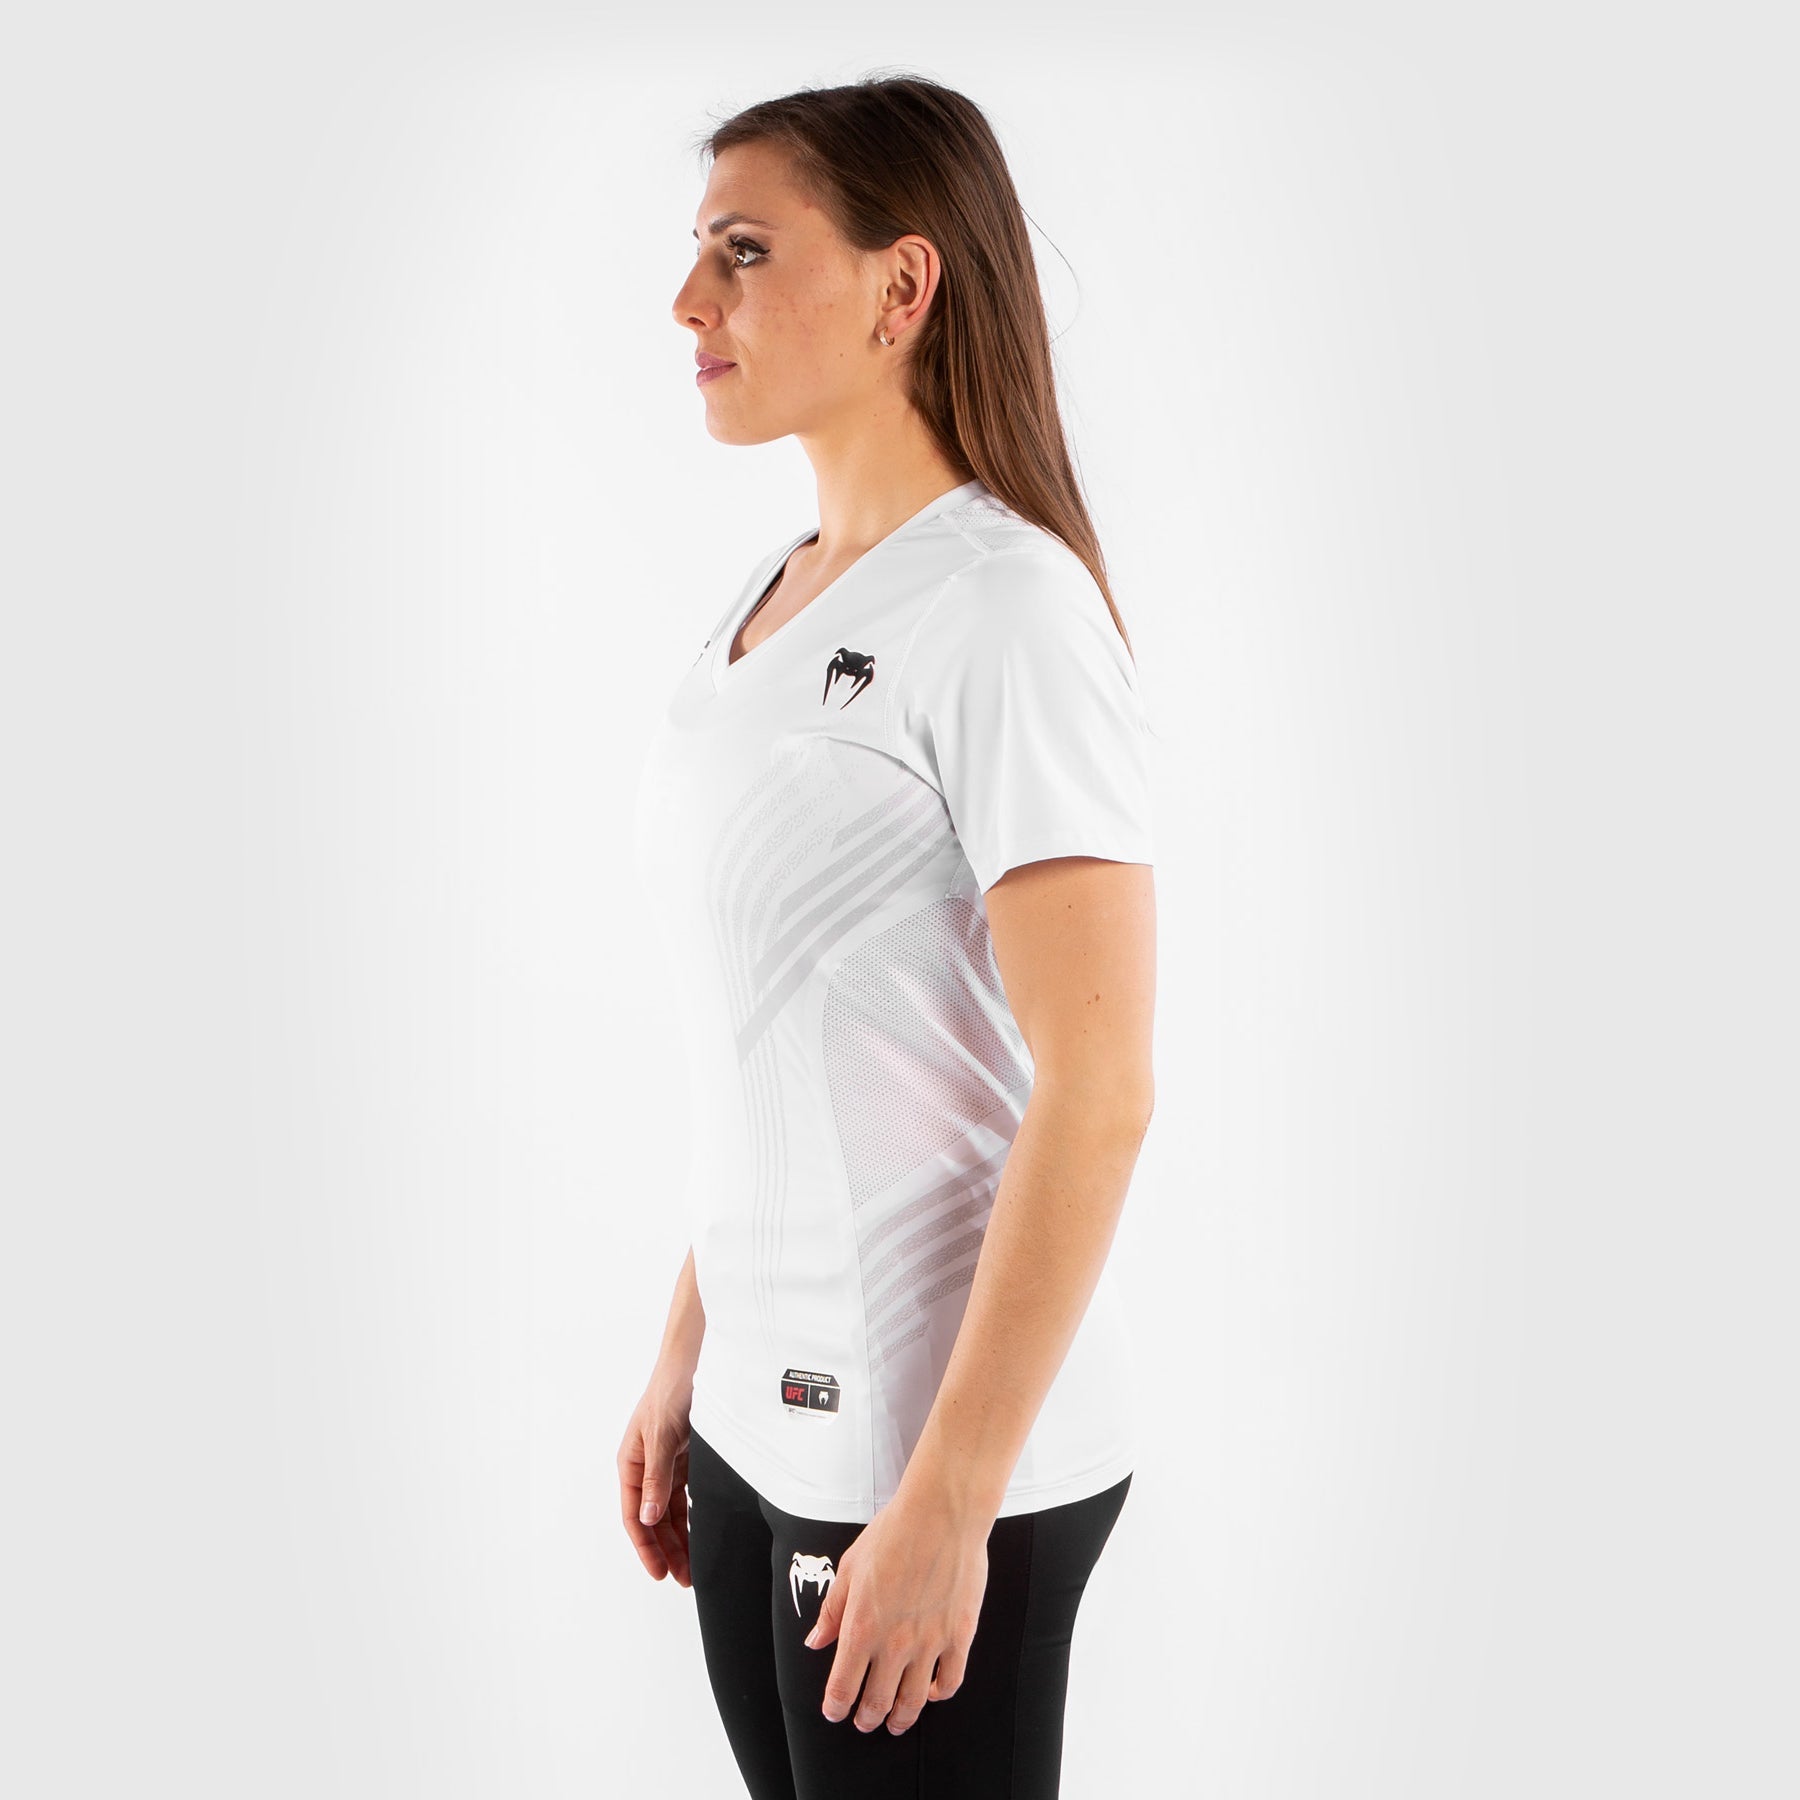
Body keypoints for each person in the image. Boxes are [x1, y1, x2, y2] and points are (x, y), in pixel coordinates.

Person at [619, 73, 1159, 1800]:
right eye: (699, 252)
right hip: (757, 1426)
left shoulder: (1004, 606)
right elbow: (792, 1033)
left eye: (743, 251)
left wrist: (951, 1502)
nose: (688, 301)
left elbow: (1099, 1089)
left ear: (901, 285)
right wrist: (691, 1344)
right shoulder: (773, 595)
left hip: (922, 1462)